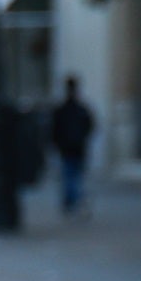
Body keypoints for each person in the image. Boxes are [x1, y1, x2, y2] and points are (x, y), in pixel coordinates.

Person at [50, 75, 97, 216]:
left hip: (68, 148)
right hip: (77, 148)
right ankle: (74, 200)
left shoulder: (62, 109)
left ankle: (72, 200)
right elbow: (90, 125)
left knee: (69, 175)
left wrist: (56, 143)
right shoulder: (80, 109)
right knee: (75, 176)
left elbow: (54, 129)